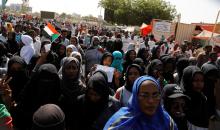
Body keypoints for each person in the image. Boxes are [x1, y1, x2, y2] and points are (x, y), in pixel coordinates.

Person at [104, 76, 177, 130]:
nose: (151, 101)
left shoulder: (166, 120)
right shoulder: (121, 122)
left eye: (155, 95)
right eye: (144, 95)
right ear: (135, 97)